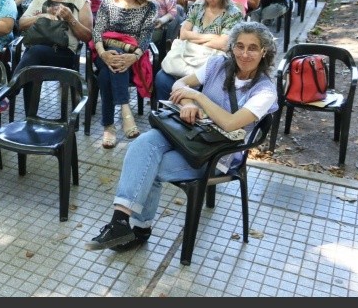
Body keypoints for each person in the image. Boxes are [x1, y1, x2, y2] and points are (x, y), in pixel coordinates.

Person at [85, 21, 278, 251]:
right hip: (188, 133)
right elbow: (180, 84)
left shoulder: (265, 90)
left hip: (217, 154)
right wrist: (187, 102)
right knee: (143, 143)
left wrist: (198, 98)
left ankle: (139, 229)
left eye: (253, 48)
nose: (245, 54)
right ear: (232, 47)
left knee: (149, 167)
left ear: (264, 50)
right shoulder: (218, 64)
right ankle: (120, 222)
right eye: (239, 46)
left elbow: (230, 123)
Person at [15, 0, 93, 114]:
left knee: (32, 55)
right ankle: (30, 118)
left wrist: (70, 19)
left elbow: (87, 36)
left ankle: (10, 90)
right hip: (37, 51)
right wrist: (42, 16)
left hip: (64, 53)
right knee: (32, 66)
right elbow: (21, 23)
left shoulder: (80, 1)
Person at [92, 0, 156, 149]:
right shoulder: (108, 2)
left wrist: (133, 57)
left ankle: (109, 126)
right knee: (114, 61)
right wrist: (103, 53)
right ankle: (126, 111)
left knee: (106, 76)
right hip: (104, 52)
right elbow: (97, 32)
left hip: (132, 56)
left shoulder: (149, 7)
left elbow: (145, 38)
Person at [153, 0, 243, 100]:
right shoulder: (198, 6)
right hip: (185, 58)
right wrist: (213, 38)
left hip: (211, 65)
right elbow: (183, 34)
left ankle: (191, 115)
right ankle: (167, 114)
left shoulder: (233, 13)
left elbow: (224, 44)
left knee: (199, 86)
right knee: (162, 78)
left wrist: (193, 37)